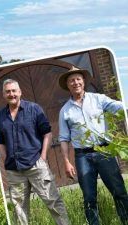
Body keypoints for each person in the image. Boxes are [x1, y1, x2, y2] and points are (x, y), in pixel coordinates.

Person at [58, 66, 128, 225]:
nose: (75, 82)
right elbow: (63, 138)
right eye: (71, 80)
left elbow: (118, 106)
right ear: (67, 85)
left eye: (78, 79)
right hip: (82, 156)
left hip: (104, 151)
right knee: (89, 196)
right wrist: (66, 161)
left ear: (83, 81)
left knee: (119, 190)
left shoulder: (98, 99)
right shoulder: (65, 111)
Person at [0, 79, 69, 225]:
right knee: (19, 210)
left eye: (14, 91)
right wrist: (6, 159)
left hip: (36, 165)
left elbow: (47, 134)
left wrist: (42, 157)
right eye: (8, 91)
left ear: (20, 92)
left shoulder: (34, 109)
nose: (11, 94)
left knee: (53, 202)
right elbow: (1, 141)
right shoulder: (0, 116)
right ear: (3, 94)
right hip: (14, 170)